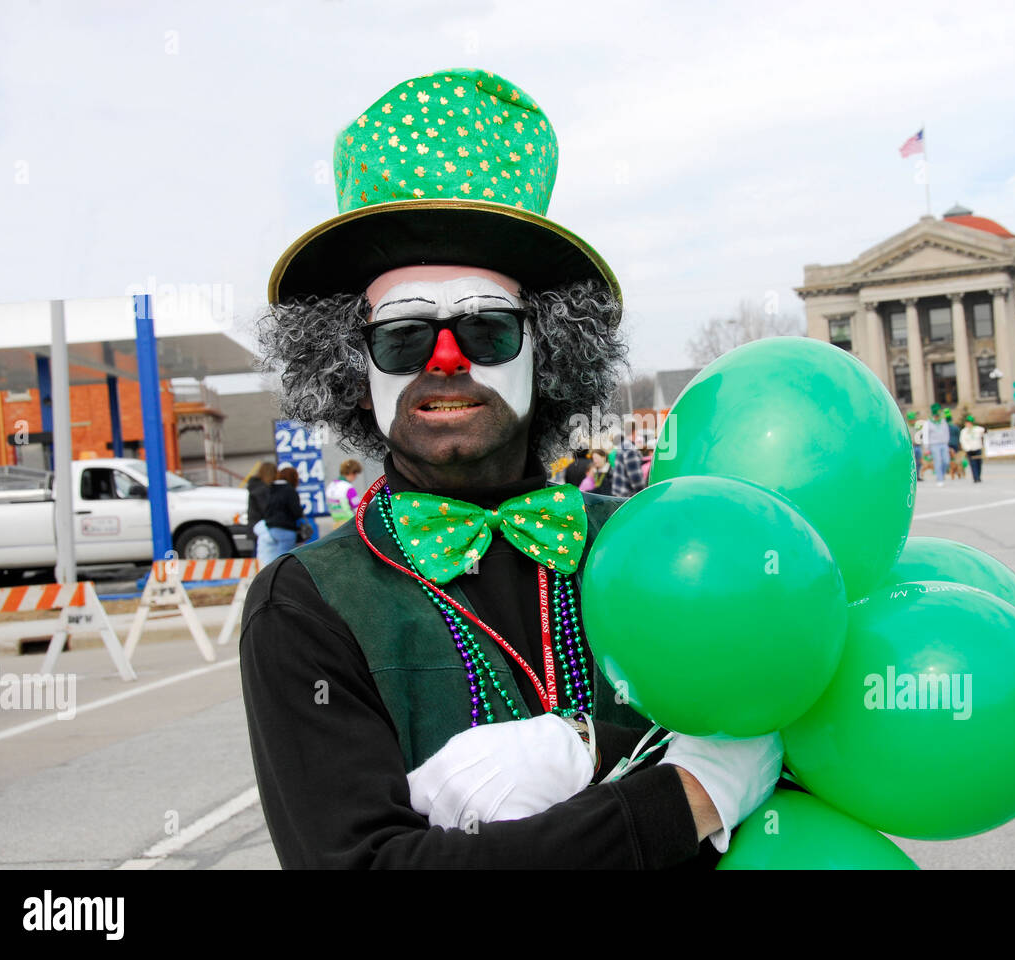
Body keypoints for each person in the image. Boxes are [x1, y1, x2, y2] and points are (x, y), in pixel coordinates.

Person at [242, 68, 780, 870]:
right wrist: (681, 794)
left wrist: (585, 748)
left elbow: (802, 721)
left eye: (488, 331)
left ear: (552, 350)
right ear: (355, 368)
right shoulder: (306, 605)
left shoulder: (650, 542)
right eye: (403, 337)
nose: (447, 359)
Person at [255, 466, 304, 565]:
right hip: (286, 528)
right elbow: (296, 512)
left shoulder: (271, 489)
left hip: (271, 529)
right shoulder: (290, 491)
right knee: (285, 560)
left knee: (273, 558)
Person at [609, 425, 648, 498]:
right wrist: (644, 494)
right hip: (628, 495)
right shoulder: (630, 449)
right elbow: (636, 478)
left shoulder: (622, 446)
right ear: (634, 432)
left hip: (618, 492)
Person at [245, 461, 277, 551]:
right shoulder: (262, 489)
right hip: (262, 528)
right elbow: (266, 508)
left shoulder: (255, 486)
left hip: (255, 527)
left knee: (259, 555)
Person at [325, 458, 364, 527]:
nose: (355, 477)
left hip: (336, 524)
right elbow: (358, 509)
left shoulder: (331, 486)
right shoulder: (348, 488)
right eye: (355, 474)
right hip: (350, 523)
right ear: (352, 473)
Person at [926, 406, 950, 487]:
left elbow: (947, 432)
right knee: (938, 461)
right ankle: (940, 478)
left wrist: (947, 442)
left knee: (946, 461)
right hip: (934, 444)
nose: (937, 416)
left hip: (943, 444)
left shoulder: (943, 421)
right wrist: (927, 448)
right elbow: (926, 435)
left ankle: (942, 474)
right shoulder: (928, 423)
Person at [961, 415, 985, 483]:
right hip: (970, 450)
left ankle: (978, 476)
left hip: (977, 448)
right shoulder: (964, 431)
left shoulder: (977, 429)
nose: (968, 424)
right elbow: (962, 441)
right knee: (973, 464)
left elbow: (984, 431)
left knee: (979, 464)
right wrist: (967, 448)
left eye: (969, 422)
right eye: (967, 422)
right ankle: (976, 477)